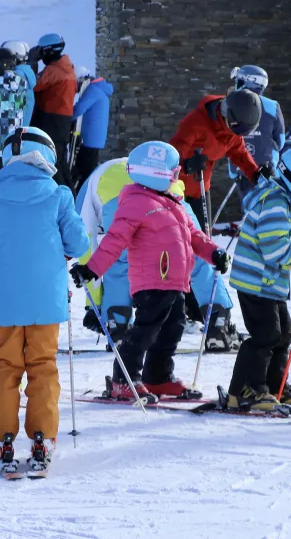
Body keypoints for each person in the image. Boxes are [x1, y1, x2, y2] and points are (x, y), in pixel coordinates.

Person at [0, 126, 88, 473]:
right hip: (47, 301)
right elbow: (79, 243)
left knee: (4, 366)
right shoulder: (58, 195)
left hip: (6, 300)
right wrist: (63, 250)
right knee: (43, 366)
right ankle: (43, 437)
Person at [71, 142, 227, 401]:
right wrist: (91, 270)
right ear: (158, 173)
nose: (177, 178)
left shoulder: (173, 202)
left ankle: (158, 377)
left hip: (176, 282)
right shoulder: (135, 202)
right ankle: (124, 380)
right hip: (151, 281)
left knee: (173, 329)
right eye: (174, 173)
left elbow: (194, 236)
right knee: (146, 331)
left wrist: (214, 253)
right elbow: (115, 241)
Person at [229, 146, 291, 411]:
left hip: (269, 282)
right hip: (255, 281)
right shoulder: (275, 203)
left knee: (283, 335)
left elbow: (290, 241)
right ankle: (244, 391)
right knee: (266, 335)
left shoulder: (287, 202)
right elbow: (274, 250)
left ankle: (275, 385)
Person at [169, 88, 265, 229]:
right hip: (176, 186)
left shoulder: (233, 128)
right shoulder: (196, 122)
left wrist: (256, 173)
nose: (239, 134)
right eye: (239, 130)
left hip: (200, 187)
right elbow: (171, 155)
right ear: (227, 114)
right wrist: (187, 165)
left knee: (203, 235)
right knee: (176, 233)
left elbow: (239, 153)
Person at [227, 65, 284, 206]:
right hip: (267, 169)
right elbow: (280, 140)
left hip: (241, 169)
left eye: (238, 81)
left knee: (249, 209)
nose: (236, 84)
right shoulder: (272, 106)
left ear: (247, 81)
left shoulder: (230, 104)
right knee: (270, 208)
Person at [31, 34, 76, 186]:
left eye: (42, 52)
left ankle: (62, 194)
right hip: (62, 122)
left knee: (52, 162)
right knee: (60, 162)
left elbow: (32, 84)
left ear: (49, 51)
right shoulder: (67, 67)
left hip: (51, 121)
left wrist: (31, 62)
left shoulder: (53, 70)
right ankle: (70, 195)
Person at [71, 74, 112, 191]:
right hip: (97, 137)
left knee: (83, 170)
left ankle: (80, 194)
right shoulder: (102, 90)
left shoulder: (93, 90)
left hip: (90, 137)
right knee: (88, 167)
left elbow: (80, 108)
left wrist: (66, 118)